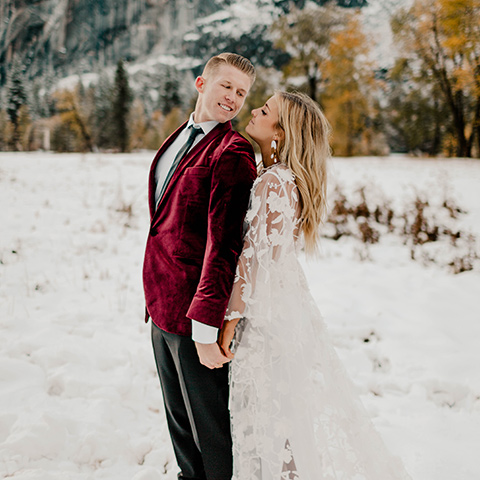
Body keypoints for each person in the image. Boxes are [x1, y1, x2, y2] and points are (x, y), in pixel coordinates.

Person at [218, 91, 412, 480]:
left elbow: (254, 260)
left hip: (266, 320)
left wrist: (230, 321)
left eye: (265, 110)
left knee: (269, 421)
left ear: (282, 132)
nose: (254, 109)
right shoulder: (278, 176)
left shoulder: (275, 181)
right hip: (283, 310)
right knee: (281, 422)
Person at [142, 53, 257, 480]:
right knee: (181, 428)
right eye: (226, 86)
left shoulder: (233, 152)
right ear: (201, 84)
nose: (233, 98)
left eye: (242, 93)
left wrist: (205, 329)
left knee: (211, 434)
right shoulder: (179, 137)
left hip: (195, 317)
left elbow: (224, 246)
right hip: (161, 307)